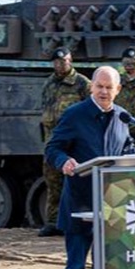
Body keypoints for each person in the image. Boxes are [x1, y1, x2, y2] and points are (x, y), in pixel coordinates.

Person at [45, 66, 135, 269]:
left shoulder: (123, 117)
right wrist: (64, 161)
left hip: (110, 204)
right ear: (91, 87)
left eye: (110, 88)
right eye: (100, 86)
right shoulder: (75, 115)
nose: (104, 92)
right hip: (79, 203)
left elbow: (127, 147)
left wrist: (134, 160)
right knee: (75, 265)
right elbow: (53, 148)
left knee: (103, 264)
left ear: (118, 90)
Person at [38, 48, 91, 237]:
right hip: (53, 140)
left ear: (71, 61)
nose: (60, 64)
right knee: (53, 182)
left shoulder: (82, 83)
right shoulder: (49, 83)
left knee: (77, 182)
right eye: (57, 62)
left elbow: (90, 111)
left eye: (64, 61)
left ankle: (76, 221)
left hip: (74, 141)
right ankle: (52, 222)